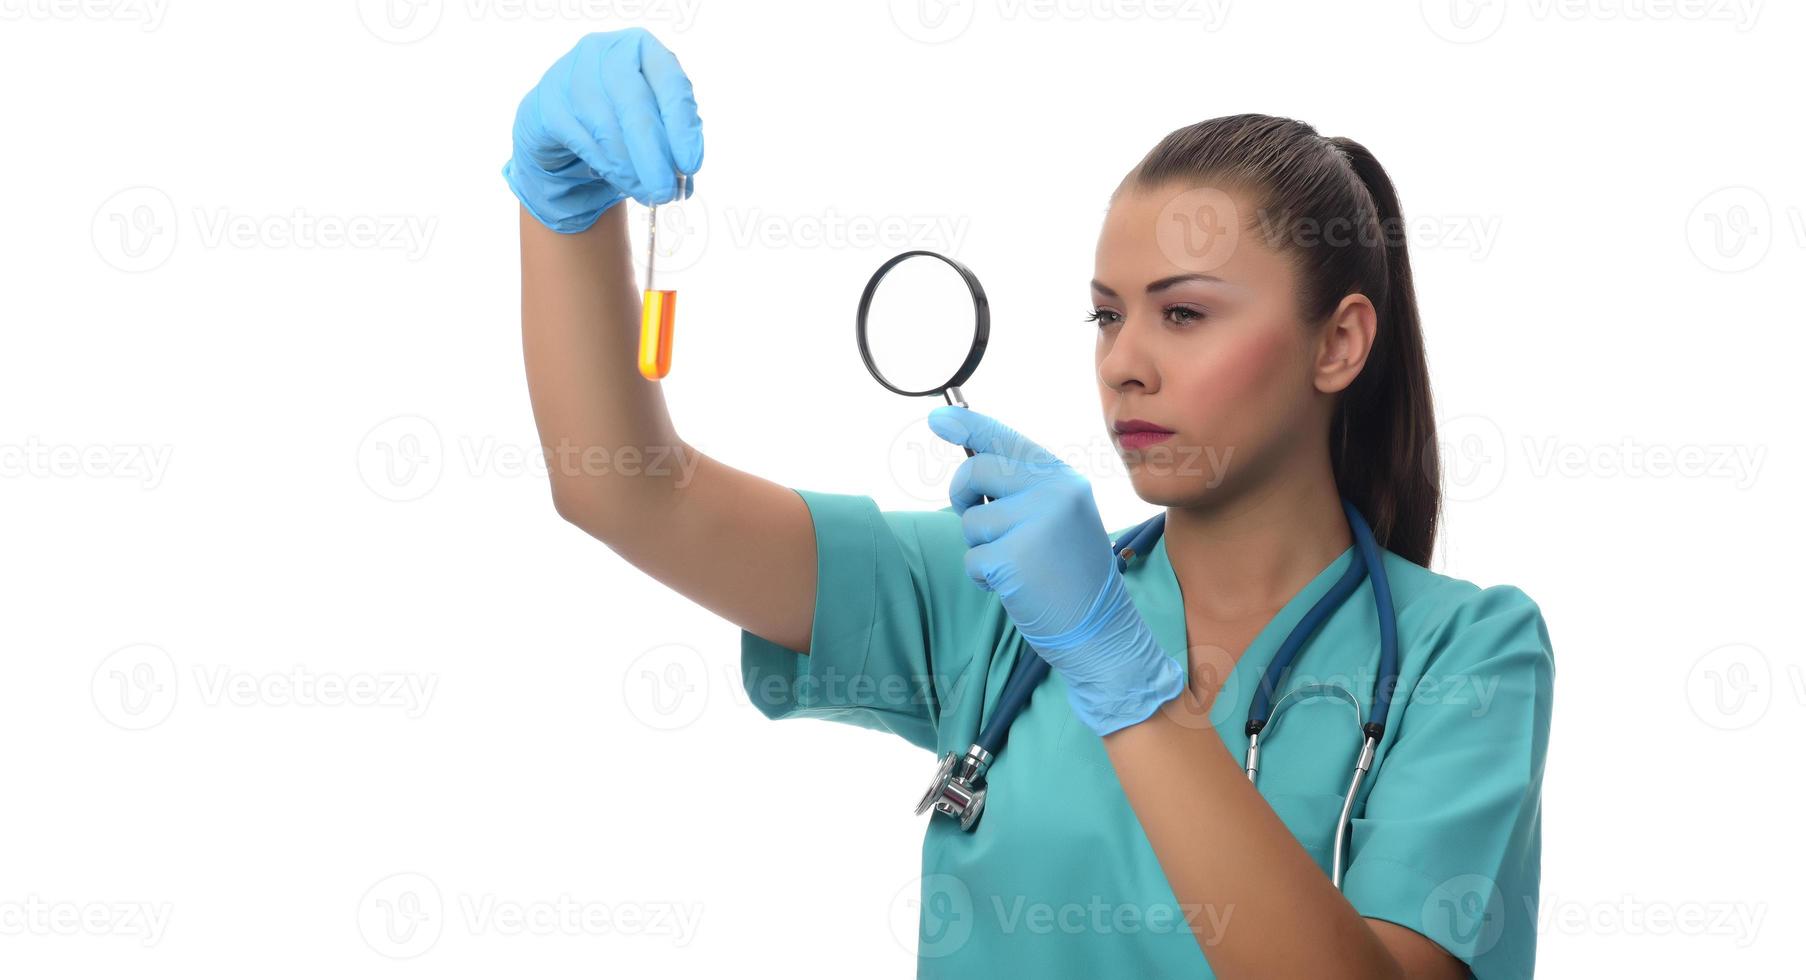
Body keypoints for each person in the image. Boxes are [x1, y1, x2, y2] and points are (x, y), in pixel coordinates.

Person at [503, 28, 1554, 980]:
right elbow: (627, 489)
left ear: (1340, 342)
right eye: (1104, 315)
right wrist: (567, 213)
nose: (1124, 364)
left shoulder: (1466, 655)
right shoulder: (999, 608)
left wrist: (1122, 676)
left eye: (1184, 312)